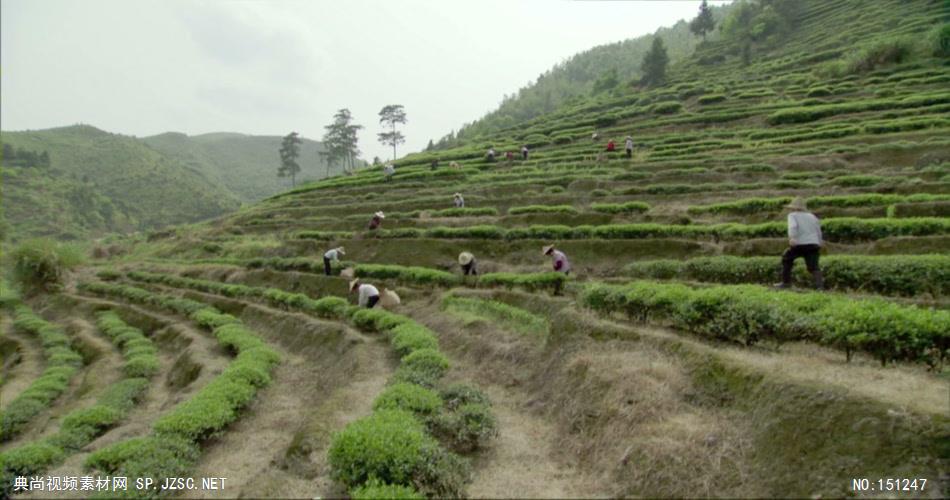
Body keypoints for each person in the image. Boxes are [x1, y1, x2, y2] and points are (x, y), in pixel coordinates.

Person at [775, 197, 824, 290]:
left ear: (794, 208)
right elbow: (818, 230)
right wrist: (819, 241)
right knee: (813, 267)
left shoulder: (792, 215)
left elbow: (792, 227)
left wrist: (792, 237)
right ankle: (820, 287)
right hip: (813, 244)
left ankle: (786, 283)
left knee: (786, 258)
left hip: (800, 243)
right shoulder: (812, 216)